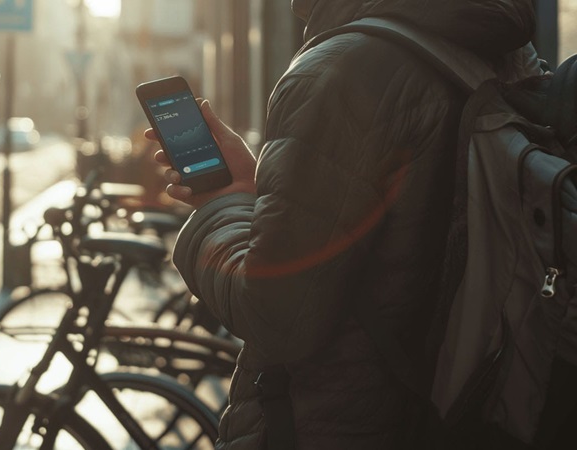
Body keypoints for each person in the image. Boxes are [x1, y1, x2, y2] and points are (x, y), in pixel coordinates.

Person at [145, 1, 540, 449]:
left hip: (337, 423)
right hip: (462, 414)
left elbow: (275, 314)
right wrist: (265, 189)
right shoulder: (509, 53)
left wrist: (217, 208)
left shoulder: (343, 69)